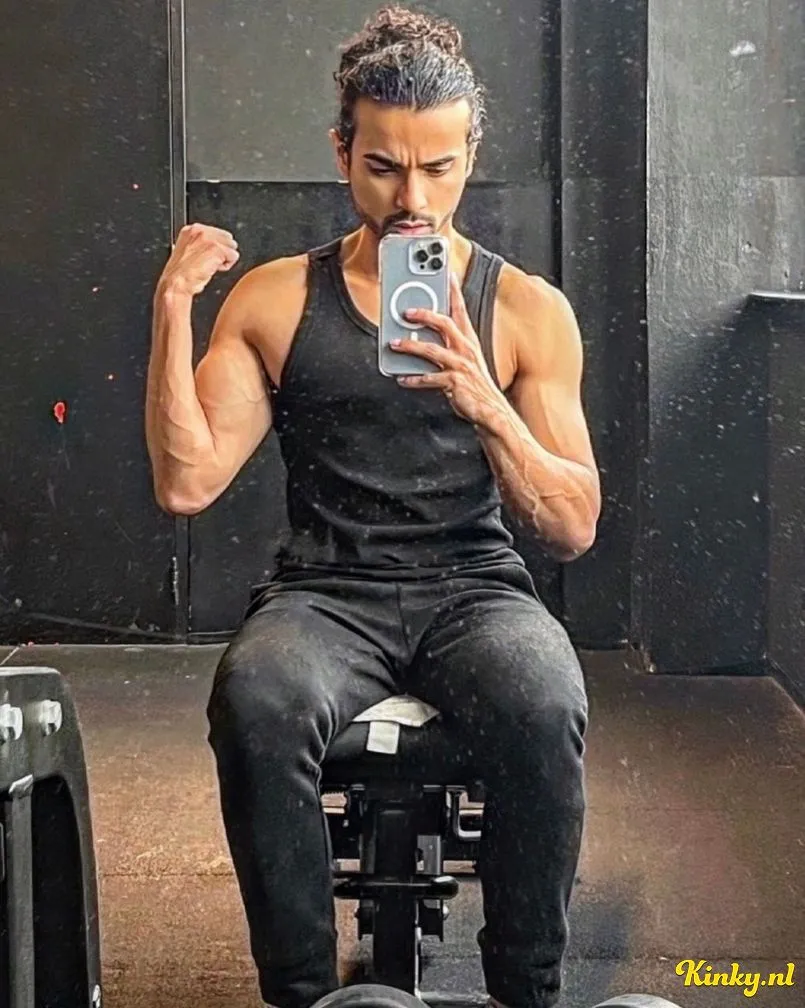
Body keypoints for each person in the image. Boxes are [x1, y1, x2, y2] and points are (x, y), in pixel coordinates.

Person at [146, 6, 601, 1008]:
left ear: (469, 157)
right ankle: (304, 994)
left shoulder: (526, 310)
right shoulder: (273, 298)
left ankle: (526, 991)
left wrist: (485, 401)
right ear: (342, 153)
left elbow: (571, 524)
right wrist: (173, 309)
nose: (412, 199)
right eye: (385, 167)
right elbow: (187, 481)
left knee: (544, 704)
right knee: (256, 702)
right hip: (325, 591)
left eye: (438, 168)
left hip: (473, 588)